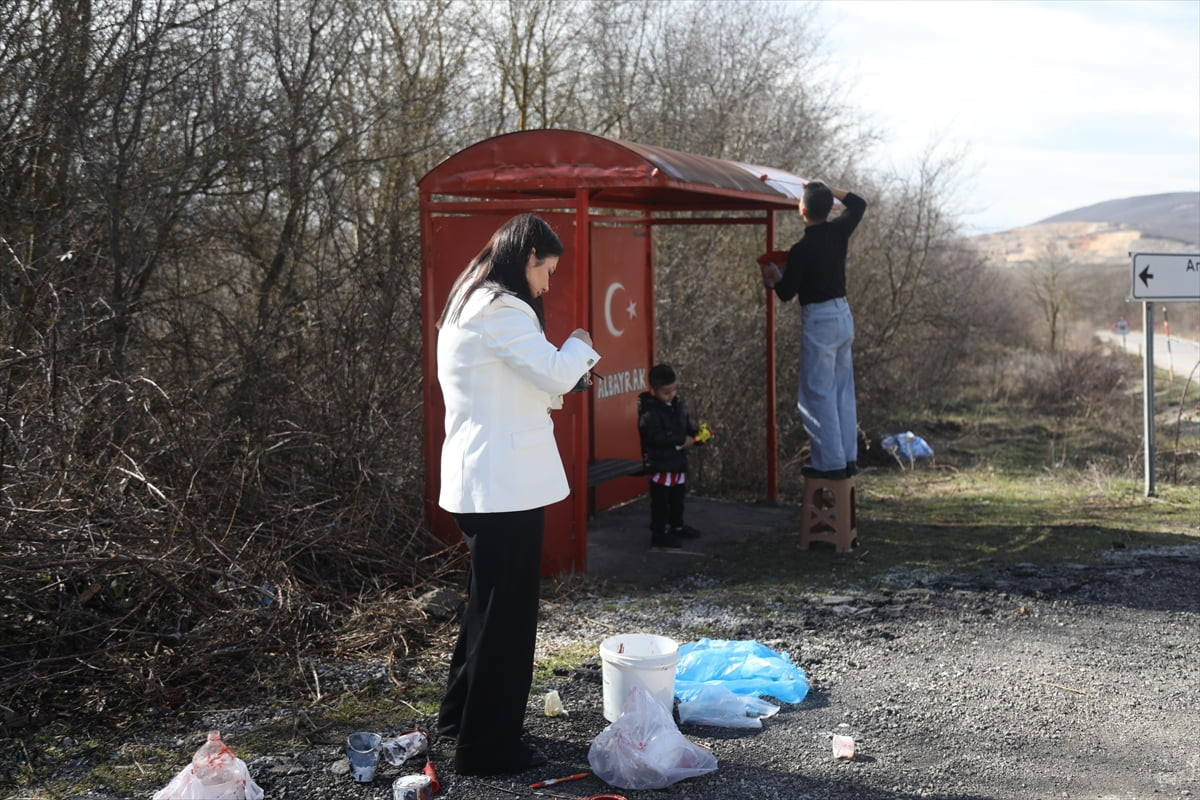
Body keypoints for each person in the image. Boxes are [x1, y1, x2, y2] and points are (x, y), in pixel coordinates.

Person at [434, 213, 600, 775]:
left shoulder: (468, 301)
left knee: (486, 608)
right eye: (547, 271)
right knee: (509, 620)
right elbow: (553, 374)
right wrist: (580, 346)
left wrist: (562, 368)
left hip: (483, 484)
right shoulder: (502, 308)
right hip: (502, 487)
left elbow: (509, 385)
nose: (548, 285)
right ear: (528, 257)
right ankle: (486, 747)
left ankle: (460, 719)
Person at [767, 181, 867, 479]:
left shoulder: (801, 250)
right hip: (843, 315)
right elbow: (859, 203)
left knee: (817, 393)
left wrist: (773, 277)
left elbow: (786, 293)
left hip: (820, 320)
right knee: (841, 390)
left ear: (803, 210)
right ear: (828, 208)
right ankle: (847, 457)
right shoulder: (838, 232)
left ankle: (831, 464)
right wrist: (828, 187)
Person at [637, 364, 703, 549]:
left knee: (677, 498)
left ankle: (677, 525)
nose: (672, 395)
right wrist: (682, 440)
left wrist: (698, 436)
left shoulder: (678, 406)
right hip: (660, 463)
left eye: (674, 390)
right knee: (660, 502)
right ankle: (659, 534)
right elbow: (653, 437)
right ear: (654, 390)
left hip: (677, 463)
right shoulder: (649, 412)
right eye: (666, 392)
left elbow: (686, 428)